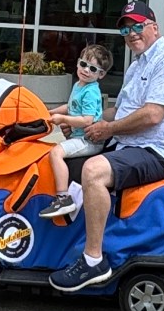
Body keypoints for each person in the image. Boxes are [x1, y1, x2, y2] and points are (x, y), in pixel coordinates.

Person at [48, 5, 164, 291]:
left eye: (137, 25)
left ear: (154, 27)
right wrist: (86, 125)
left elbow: (152, 115)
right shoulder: (138, 64)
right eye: (125, 29)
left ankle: (93, 261)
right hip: (130, 144)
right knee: (64, 163)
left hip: (160, 150)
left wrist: (108, 129)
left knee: (93, 170)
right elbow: (120, 111)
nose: (131, 33)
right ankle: (61, 248)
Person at [44, 43, 114, 213]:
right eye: (83, 64)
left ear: (101, 74)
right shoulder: (78, 85)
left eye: (92, 68)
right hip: (77, 137)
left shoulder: (90, 91)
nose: (86, 70)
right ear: (77, 63)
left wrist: (62, 119)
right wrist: (49, 112)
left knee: (56, 153)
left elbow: (87, 120)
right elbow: (70, 107)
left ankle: (63, 198)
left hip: (88, 140)